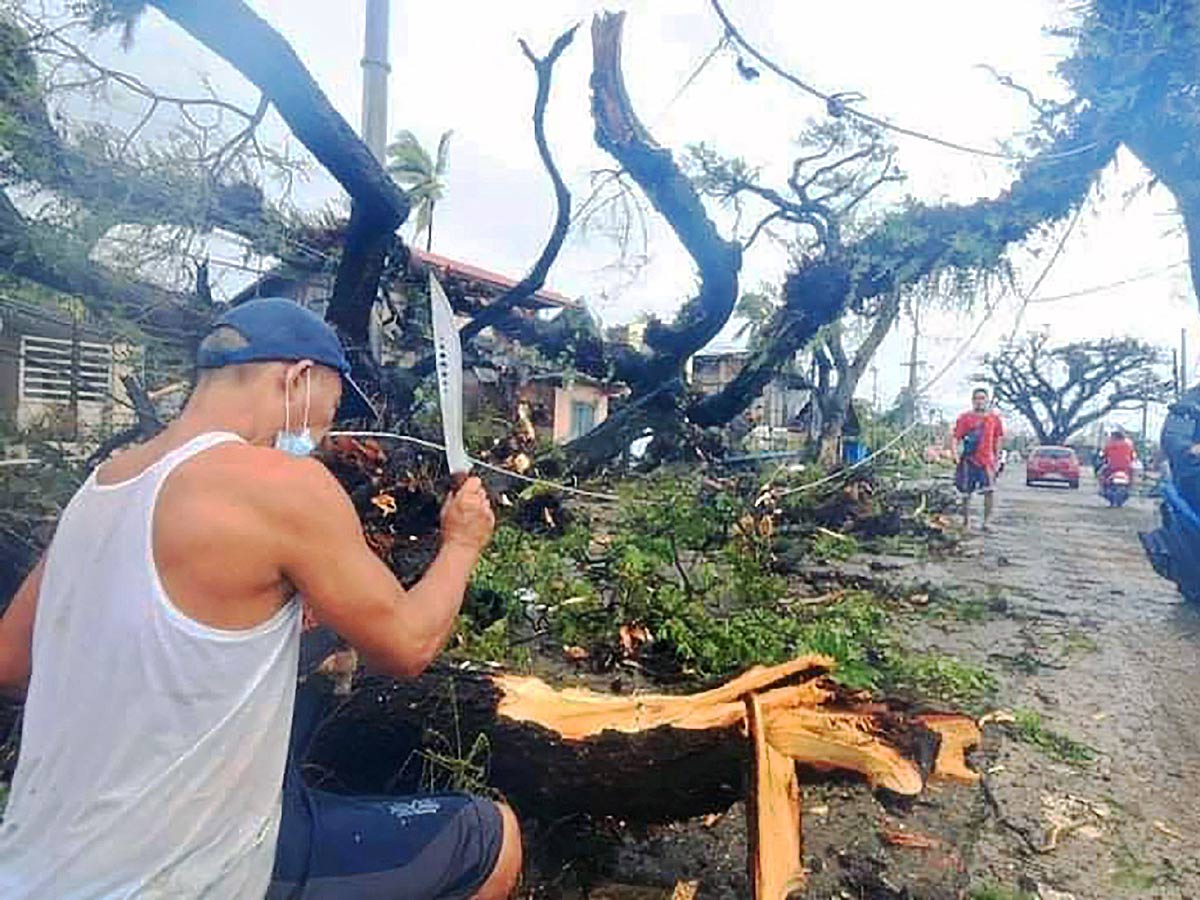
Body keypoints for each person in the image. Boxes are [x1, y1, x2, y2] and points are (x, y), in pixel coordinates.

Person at [0, 299, 521, 898]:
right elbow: (408, 645)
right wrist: (460, 544)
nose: (316, 441)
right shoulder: (281, 484)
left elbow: (12, 663)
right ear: (296, 379)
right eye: (321, 421)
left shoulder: (101, 487)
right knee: (489, 838)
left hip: (32, 870)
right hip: (187, 878)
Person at [953, 387, 1005, 531]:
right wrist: (955, 455)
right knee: (966, 493)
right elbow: (956, 437)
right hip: (969, 460)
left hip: (987, 461)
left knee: (989, 492)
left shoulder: (994, 418)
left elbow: (998, 438)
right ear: (972, 401)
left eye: (982, 398)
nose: (979, 401)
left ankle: (986, 522)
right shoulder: (965, 418)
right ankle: (966, 523)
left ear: (987, 400)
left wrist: (997, 458)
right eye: (976, 398)